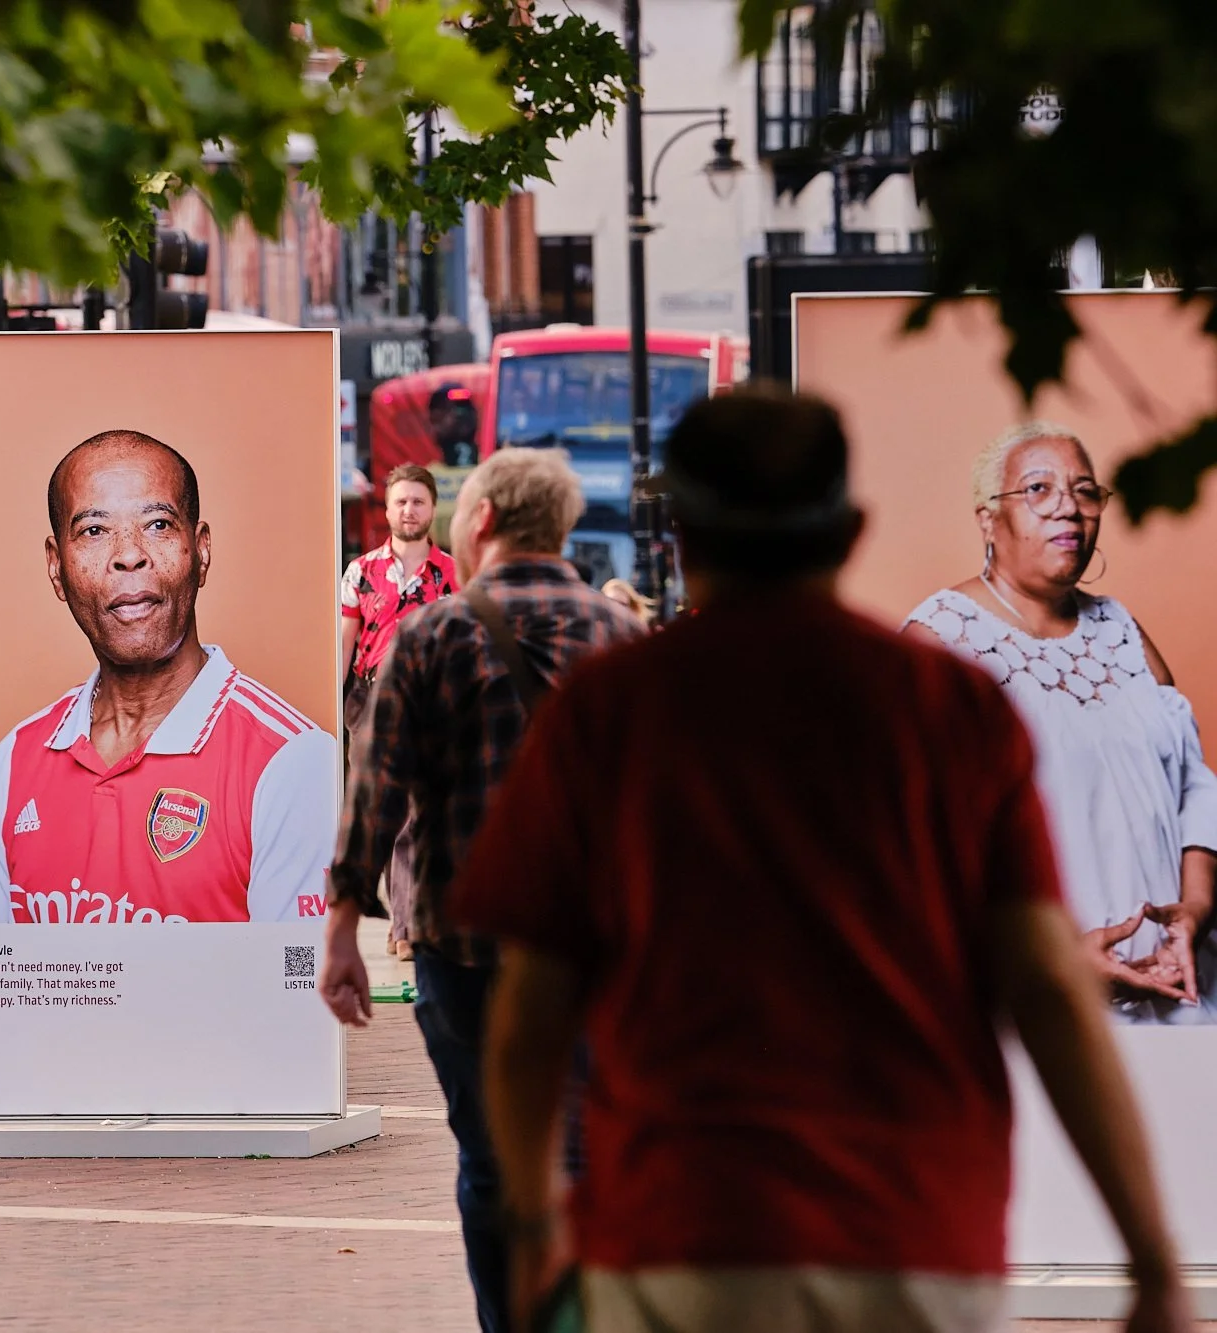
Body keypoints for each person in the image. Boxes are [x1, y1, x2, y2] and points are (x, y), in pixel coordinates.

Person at [451, 393, 1193, 1333]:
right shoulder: (949, 711)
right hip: (912, 1242)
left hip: (677, 1240)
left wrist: (532, 1220)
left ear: (680, 536)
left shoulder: (608, 713)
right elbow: (1045, 989)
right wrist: (1152, 1258)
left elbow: (529, 1014)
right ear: (848, 532)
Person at [320, 447, 644, 1333]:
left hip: (463, 945)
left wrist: (345, 923)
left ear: (486, 520)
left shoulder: (436, 635)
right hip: (588, 949)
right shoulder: (620, 637)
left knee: (492, 1157)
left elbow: (373, 790)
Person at [0, 429, 337, 926]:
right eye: (94, 531)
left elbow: (298, 989)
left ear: (200, 552)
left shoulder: (291, 761)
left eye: (157, 525)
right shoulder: (13, 763)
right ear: (56, 568)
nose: (129, 554)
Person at [905, 423, 1217, 1022]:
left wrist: (1195, 910)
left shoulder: (1120, 629)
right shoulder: (942, 639)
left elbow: (1192, 787)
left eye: (1084, 491)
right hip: (1033, 1003)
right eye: (1039, 490)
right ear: (987, 519)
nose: (1068, 508)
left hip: (1176, 993)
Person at [339, 462, 458, 961]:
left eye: (418, 501)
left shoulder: (453, 573)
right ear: (386, 509)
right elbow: (344, 644)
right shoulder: (360, 572)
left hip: (432, 703)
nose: (409, 510)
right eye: (401, 501)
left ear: (432, 509)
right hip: (369, 701)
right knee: (381, 814)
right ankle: (399, 921)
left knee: (416, 815)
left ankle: (406, 927)